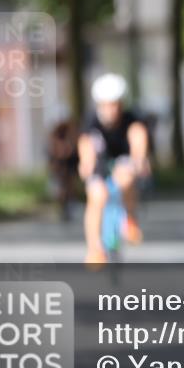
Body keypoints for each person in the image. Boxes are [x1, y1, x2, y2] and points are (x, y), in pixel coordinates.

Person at [78, 73, 151, 265]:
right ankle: (94, 248)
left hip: (123, 159)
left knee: (126, 179)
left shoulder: (131, 119)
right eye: (107, 105)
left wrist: (140, 160)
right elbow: (85, 144)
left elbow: (138, 139)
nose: (112, 110)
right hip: (100, 162)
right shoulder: (91, 120)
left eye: (116, 104)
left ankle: (130, 219)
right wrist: (86, 164)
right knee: (97, 196)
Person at [47, 119, 79, 222]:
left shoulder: (71, 137)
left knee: (69, 187)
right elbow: (54, 154)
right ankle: (63, 207)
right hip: (59, 167)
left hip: (69, 166)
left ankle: (68, 206)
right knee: (61, 189)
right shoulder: (55, 138)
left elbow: (72, 152)